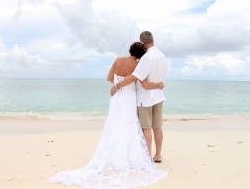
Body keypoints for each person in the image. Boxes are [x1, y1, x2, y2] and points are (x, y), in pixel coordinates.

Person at [48, 42, 167, 188]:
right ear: (141, 54)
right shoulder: (137, 65)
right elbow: (143, 83)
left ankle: (115, 154)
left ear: (130, 50)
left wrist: (118, 84)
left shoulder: (117, 60)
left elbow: (109, 77)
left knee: (115, 124)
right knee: (128, 125)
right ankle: (129, 156)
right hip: (129, 98)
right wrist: (155, 85)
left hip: (117, 97)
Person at [111, 31, 167, 163]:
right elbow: (161, 79)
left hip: (145, 98)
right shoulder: (162, 56)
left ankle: (147, 158)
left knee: (146, 128)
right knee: (157, 127)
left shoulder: (146, 58)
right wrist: (159, 86)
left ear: (142, 42)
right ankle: (158, 155)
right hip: (158, 96)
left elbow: (136, 77)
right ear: (152, 40)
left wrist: (117, 86)